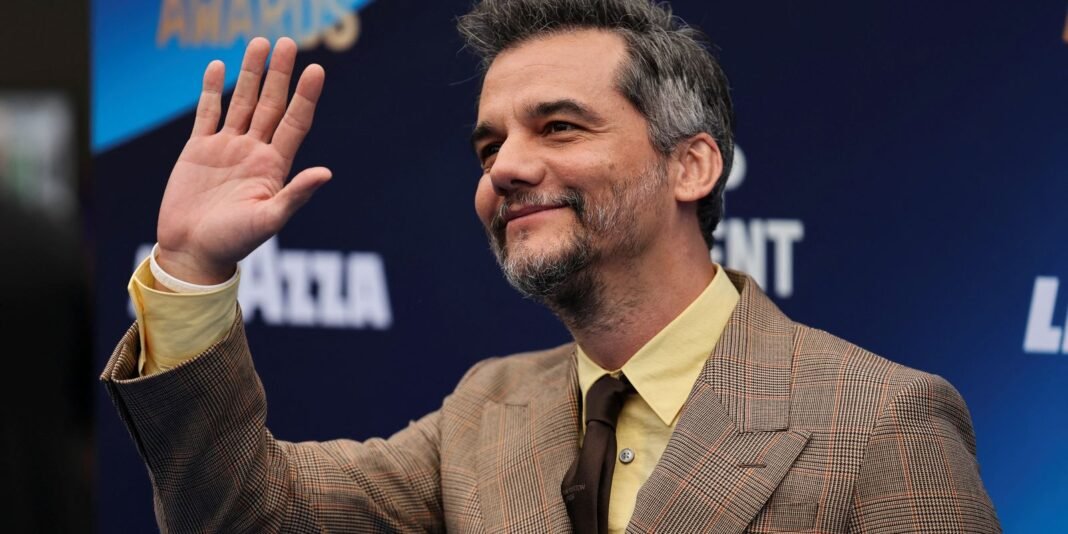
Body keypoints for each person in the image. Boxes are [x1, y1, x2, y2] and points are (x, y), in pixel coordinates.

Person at [101, 0, 1000, 532]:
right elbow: (244, 515)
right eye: (489, 145)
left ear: (692, 165)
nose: (506, 168)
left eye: (559, 127)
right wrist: (191, 267)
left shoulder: (882, 423)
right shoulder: (486, 411)